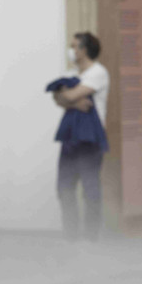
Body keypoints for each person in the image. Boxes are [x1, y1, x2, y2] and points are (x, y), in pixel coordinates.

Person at [52, 32, 110, 240]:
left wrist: (69, 97)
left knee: (90, 189)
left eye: (74, 46)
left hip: (90, 140)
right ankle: (71, 237)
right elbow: (57, 96)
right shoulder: (72, 73)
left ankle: (91, 238)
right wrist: (75, 103)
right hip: (70, 138)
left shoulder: (98, 72)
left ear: (84, 50)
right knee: (64, 188)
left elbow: (68, 94)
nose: (71, 50)